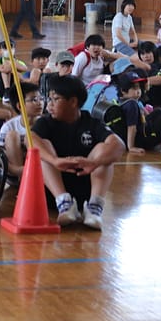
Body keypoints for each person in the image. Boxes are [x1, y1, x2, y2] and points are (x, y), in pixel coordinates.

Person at [33, 75, 125, 230]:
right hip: (52, 194)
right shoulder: (45, 122)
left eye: (56, 99)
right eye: (49, 99)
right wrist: (55, 160)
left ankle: (94, 207)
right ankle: (64, 203)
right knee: (41, 150)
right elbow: (30, 139)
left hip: (85, 191)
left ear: (73, 102)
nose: (50, 105)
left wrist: (94, 163)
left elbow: (119, 145)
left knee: (105, 151)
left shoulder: (92, 123)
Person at [0, 82, 43, 182]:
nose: (40, 103)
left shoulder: (45, 123)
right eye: (34, 99)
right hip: (16, 173)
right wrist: (17, 170)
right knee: (12, 135)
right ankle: (23, 181)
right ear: (20, 106)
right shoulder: (9, 126)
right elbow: (0, 156)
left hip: (40, 170)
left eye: (41, 99)